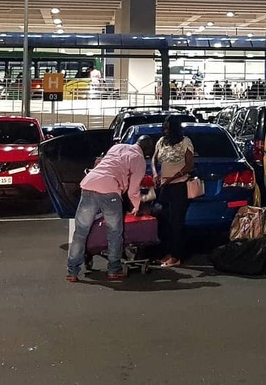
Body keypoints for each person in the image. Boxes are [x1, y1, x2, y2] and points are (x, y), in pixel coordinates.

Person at [66, 134, 152, 283]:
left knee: (80, 232)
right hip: (110, 190)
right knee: (114, 232)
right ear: (148, 151)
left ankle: (72, 272)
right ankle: (113, 269)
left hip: (89, 184)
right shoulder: (139, 160)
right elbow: (133, 191)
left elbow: (103, 163)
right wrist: (137, 206)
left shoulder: (118, 146)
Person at [153, 114, 195, 268]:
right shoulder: (161, 142)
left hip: (179, 186)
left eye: (168, 128)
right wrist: (155, 173)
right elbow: (154, 159)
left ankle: (176, 256)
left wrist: (174, 177)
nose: (165, 131)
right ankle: (168, 252)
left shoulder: (185, 143)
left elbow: (190, 165)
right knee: (165, 220)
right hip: (165, 187)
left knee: (177, 222)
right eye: (164, 128)